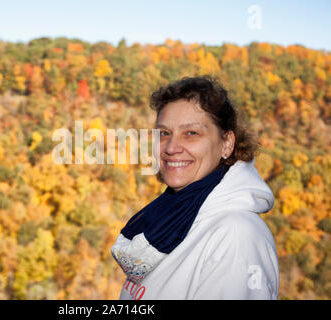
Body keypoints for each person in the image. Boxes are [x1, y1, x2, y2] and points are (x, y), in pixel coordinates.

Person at [111, 76, 279, 300]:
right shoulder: (169, 217)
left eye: (191, 133)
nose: (171, 147)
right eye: (164, 133)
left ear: (226, 144)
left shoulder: (236, 236)